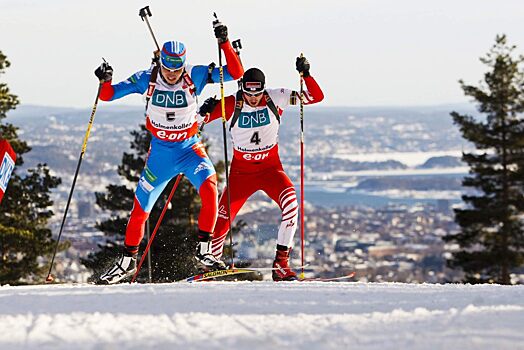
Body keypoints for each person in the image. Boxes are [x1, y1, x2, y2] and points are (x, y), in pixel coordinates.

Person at [95, 21, 244, 284]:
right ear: (160, 62)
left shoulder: (195, 75)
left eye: (177, 68)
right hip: (161, 155)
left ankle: (204, 251)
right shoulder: (147, 78)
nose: (172, 74)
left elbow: (235, 73)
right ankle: (127, 262)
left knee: (211, 190)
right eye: (167, 68)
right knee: (140, 210)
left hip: (189, 149)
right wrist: (105, 79)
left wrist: (225, 43)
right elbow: (108, 95)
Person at [198, 57, 324, 281]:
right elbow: (197, 122)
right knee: (222, 221)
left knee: (292, 205)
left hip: (270, 170)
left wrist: (306, 76)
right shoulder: (231, 103)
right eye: (248, 94)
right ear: (242, 89)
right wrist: (203, 111)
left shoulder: (277, 97)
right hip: (241, 174)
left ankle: (281, 263)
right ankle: (211, 265)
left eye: (257, 94)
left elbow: (315, 97)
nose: (253, 98)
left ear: (264, 90)